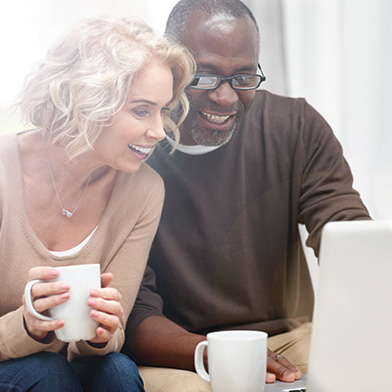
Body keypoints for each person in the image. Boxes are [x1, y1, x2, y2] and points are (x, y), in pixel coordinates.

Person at [122, 1, 371, 391]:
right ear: (171, 67)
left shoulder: (295, 126)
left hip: (289, 338)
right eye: (204, 77)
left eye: (243, 77)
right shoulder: (134, 147)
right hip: (184, 353)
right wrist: (213, 353)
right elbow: (132, 313)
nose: (226, 97)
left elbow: (348, 236)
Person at [0, 16, 194, 392]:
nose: (158, 130)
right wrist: (25, 326)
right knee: (45, 371)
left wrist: (102, 333)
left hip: (65, 372)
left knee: (117, 369)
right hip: (18, 368)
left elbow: (106, 341)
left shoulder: (144, 190)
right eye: (141, 110)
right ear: (88, 100)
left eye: (162, 111)